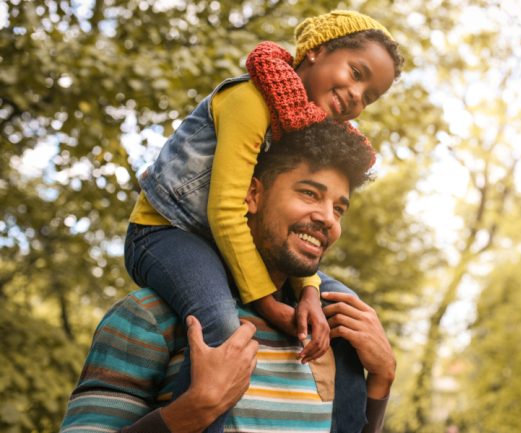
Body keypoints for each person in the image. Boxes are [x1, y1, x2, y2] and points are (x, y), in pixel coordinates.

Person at [125, 10, 403, 432]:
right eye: (356, 72)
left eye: (369, 96)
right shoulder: (248, 100)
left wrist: (309, 291)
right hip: (167, 233)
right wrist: (268, 303)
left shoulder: (301, 128)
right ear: (317, 52)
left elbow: (274, 229)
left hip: (231, 242)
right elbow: (226, 210)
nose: (356, 96)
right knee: (219, 319)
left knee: (343, 312)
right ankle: (198, 412)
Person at [61, 120, 396, 433]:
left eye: (339, 208)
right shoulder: (149, 316)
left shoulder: (333, 329)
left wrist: (381, 379)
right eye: (309, 193)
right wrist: (188, 413)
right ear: (252, 195)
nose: (327, 218)